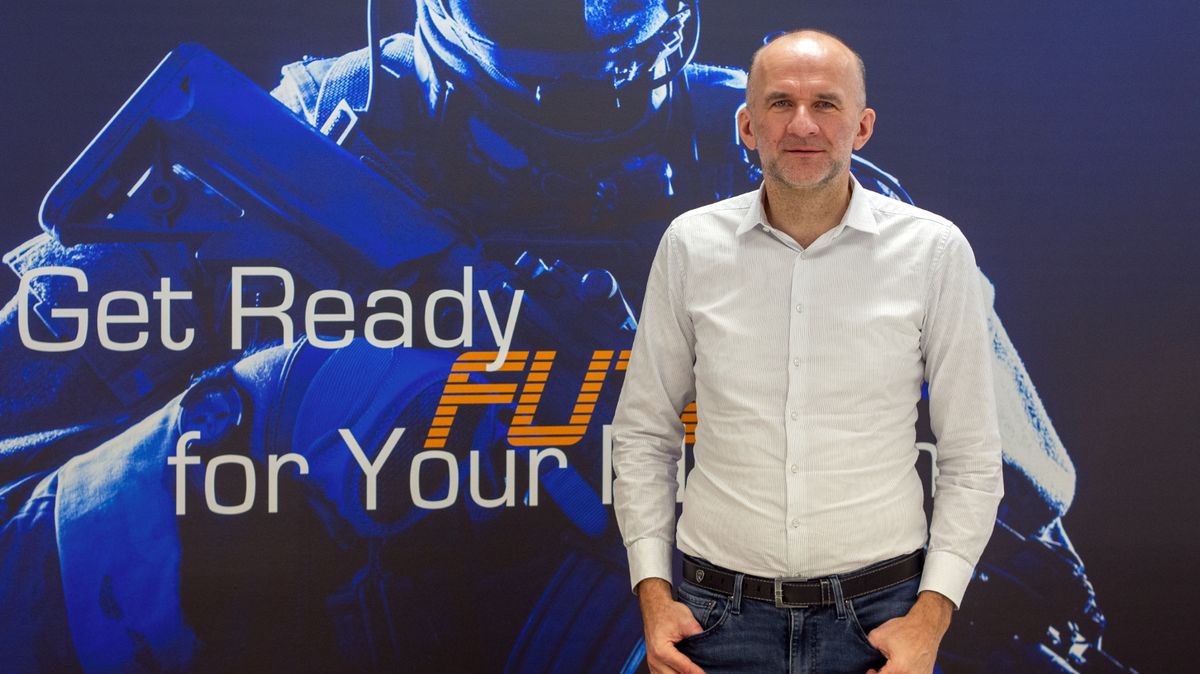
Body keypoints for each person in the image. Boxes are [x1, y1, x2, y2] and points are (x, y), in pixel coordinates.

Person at [612, 30, 1005, 673]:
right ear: (747, 126)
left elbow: (972, 458)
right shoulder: (690, 246)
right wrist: (654, 597)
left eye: (825, 103)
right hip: (716, 622)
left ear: (862, 127)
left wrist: (930, 619)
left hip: (880, 624)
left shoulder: (933, 252)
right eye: (780, 103)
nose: (802, 124)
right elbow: (644, 437)